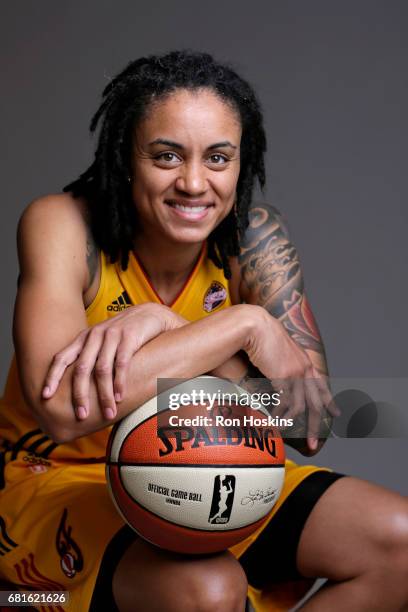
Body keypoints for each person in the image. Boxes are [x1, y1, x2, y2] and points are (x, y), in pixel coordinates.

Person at [0, 50, 407, 612]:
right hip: (64, 477)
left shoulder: (255, 241)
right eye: (166, 156)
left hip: (215, 462)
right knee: (208, 590)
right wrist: (238, 325)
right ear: (125, 159)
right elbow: (66, 410)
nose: (194, 182)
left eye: (218, 158)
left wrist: (181, 331)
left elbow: (308, 423)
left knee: (400, 543)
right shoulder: (64, 225)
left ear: (242, 164)